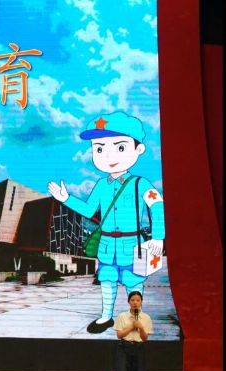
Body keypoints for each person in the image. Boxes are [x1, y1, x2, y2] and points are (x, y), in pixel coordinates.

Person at [48, 111, 165, 334]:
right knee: (107, 280)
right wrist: (66, 198)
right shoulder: (101, 185)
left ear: (139, 149)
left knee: (133, 282)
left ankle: (135, 318)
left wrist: (158, 236)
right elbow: (89, 210)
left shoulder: (140, 183)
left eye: (120, 147)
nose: (108, 155)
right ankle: (106, 317)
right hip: (107, 244)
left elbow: (157, 205)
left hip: (132, 244)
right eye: (99, 149)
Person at [112, 290, 153, 371]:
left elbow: (145, 338)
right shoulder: (122, 316)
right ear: (128, 302)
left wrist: (140, 327)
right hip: (124, 348)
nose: (135, 302)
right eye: (133, 300)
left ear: (141, 302)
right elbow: (119, 335)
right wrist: (131, 326)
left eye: (138, 300)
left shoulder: (146, 318)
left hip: (139, 349)